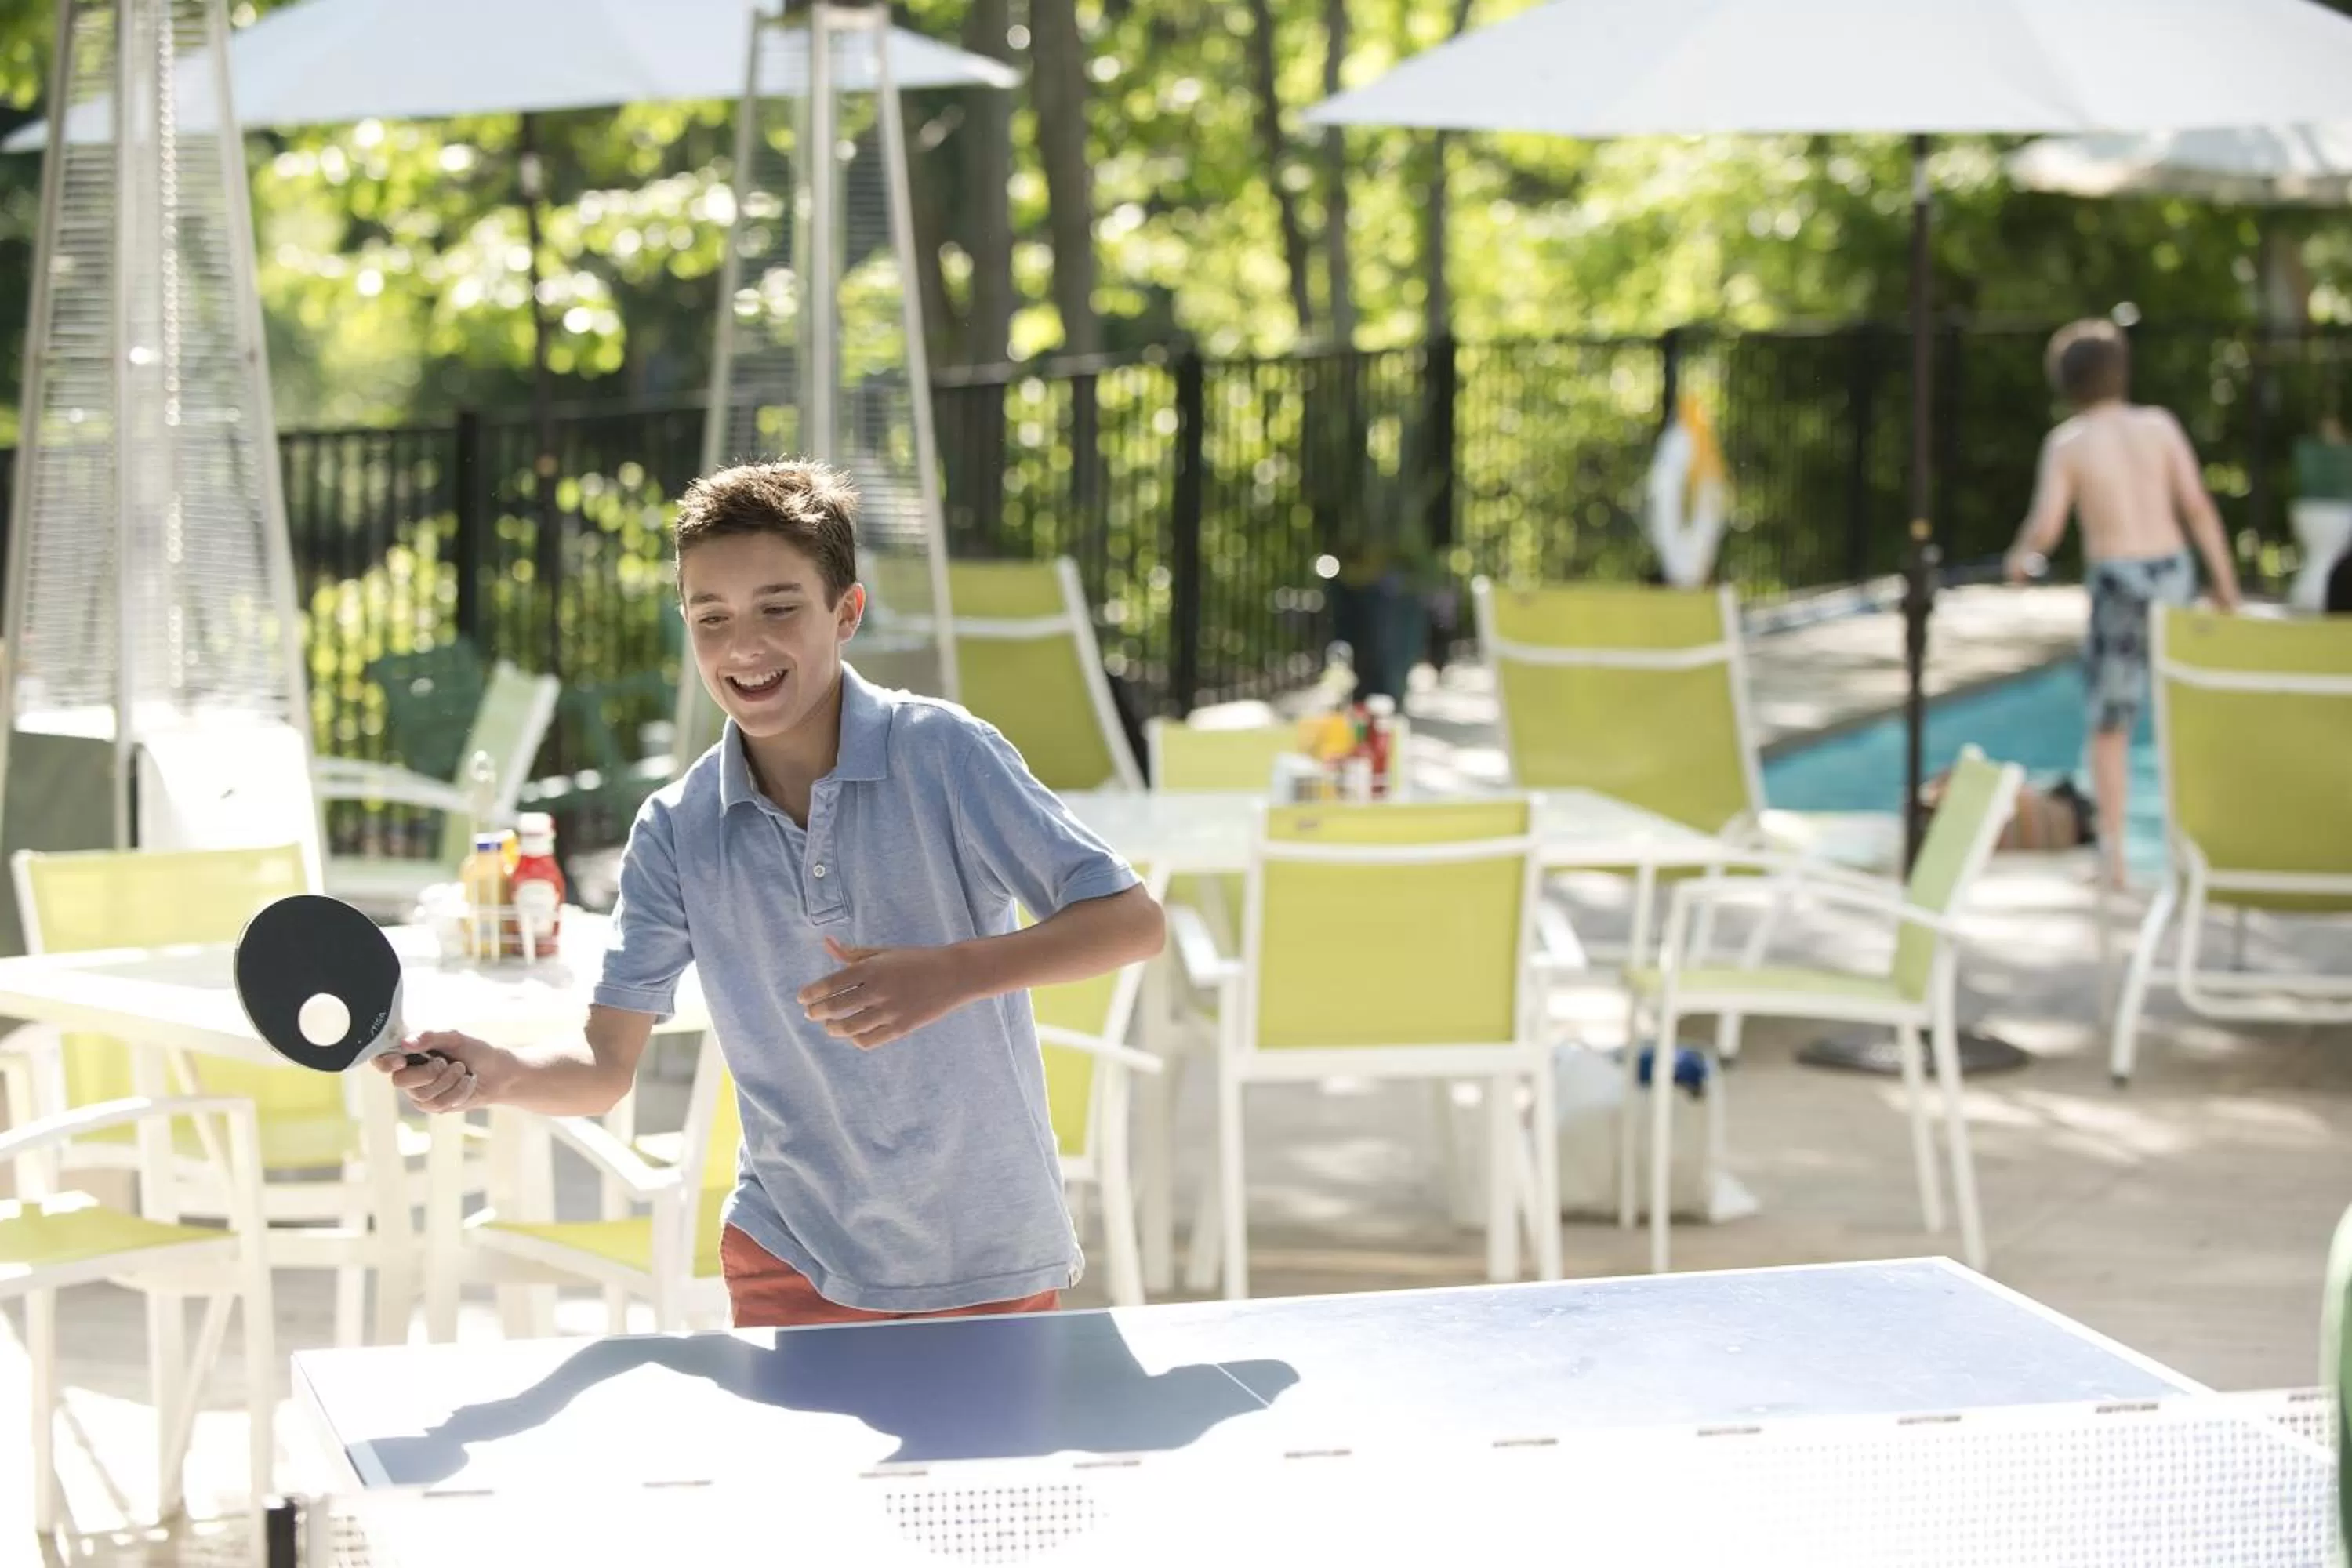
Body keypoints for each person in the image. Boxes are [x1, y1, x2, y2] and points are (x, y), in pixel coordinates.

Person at [376, 459, 1167, 1327]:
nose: (743, 645)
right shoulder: (677, 828)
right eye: (711, 618)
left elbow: (1132, 923)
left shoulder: (945, 754)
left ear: (847, 612)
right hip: (790, 1252)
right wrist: (495, 1074)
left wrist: (951, 973)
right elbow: (604, 1068)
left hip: (986, 1245)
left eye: (778, 608)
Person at [2005, 318, 2241, 891]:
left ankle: (2114, 860)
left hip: (2118, 583)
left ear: (2065, 383)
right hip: (2172, 575)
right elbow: (2197, 506)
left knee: (2110, 725)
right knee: (2183, 711)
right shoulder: (2159, 425)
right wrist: (2225, 584)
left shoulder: (2069, 443)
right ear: (2121, 372)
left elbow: (2047, 526)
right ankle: (2205, 850)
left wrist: (2019, 557)